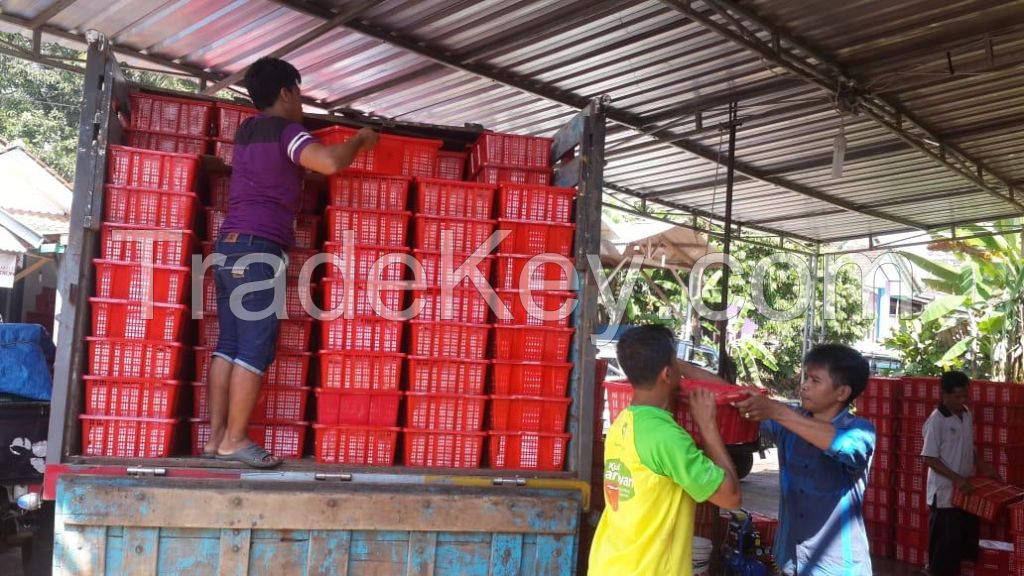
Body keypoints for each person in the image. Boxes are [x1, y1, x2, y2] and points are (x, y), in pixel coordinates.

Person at [206, 57, 378, 468]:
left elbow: (296, 170)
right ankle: (235, 440)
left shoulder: (248, 132)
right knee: (253, 347)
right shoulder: (287, 131)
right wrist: (359, 141)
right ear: (286, 92)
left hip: (227, 247)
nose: (300, 101)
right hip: (258, 250)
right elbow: (330, 162)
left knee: (228, 345)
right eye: (298, 92)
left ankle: (214, 440)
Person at [589, 325, 742, 576]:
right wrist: (708, 428)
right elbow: (731, 497)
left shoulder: (623, 422)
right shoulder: (666, 437)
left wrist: (672, 366)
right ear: (667, 373)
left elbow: (725, 391)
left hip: (610, 564)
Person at [734, 344, 874, 575]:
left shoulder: (860, 431)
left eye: (815, 381)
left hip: (839, 567)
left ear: (842, 393)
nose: (804, 386)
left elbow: (842, 445)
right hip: (791, 561)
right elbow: (725, 391)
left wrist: (776, 411)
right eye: (806, 377)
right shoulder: (790, 421)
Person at [921, 371, 998, 576]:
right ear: (944, 394)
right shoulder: (936, 421)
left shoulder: (965, 414)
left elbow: (969, 447)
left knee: (960, 546)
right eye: (958, 396)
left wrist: (982, 466)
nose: (962, 400)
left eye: (965, 396)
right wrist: (957, 479)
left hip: (965, 493)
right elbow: (929, 457)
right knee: (943, 550)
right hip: (945, 495)